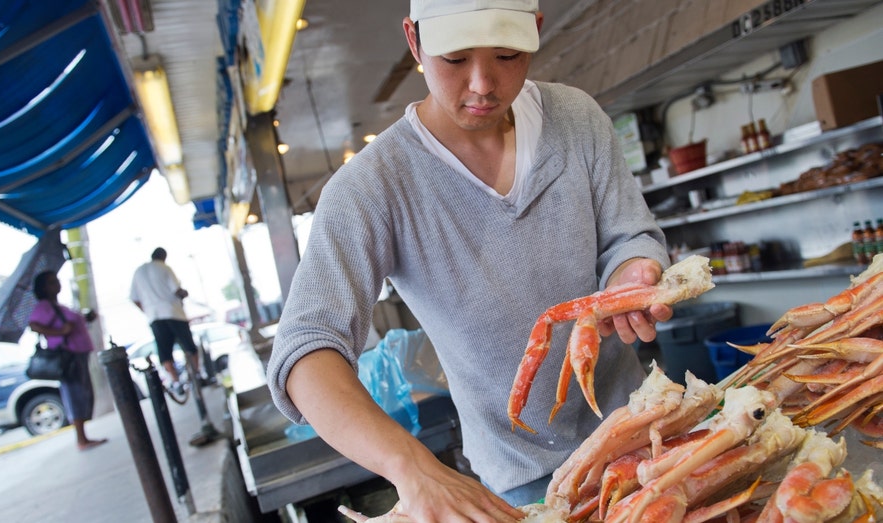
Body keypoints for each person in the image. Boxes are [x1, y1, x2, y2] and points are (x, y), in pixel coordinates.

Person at [266, 0, 673, 520]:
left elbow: (629, 235)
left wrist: (633, 271)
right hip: (524, 483)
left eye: (507, 55)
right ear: (414, 41)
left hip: (643, 430)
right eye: (455, 59)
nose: (483, 84)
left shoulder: (575, 118)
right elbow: (305, 352)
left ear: (535, 34)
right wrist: (412, 467)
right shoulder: (372, 187)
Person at [28, 271, 107, 451]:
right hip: (68, 356)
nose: (57, 284)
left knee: (83, 392)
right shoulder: (44, 306)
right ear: (43, 288)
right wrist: (61, 332)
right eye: (51, 282)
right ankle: (81, 438)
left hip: (78, 353)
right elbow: (34, 325)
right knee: (75, 392)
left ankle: (84, 436)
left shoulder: (57, 306)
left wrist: (86, 318)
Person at [129, 247, 202, 394]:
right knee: (189, 346)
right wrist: (184, 293)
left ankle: (176, 381)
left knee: (164, 352)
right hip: (173, 312)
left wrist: (148, 311)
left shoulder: (139, 272)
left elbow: (134, 298)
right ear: (163, 257)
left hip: (154, 316)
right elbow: (176, 290)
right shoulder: (164, 268)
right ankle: (196, 375)